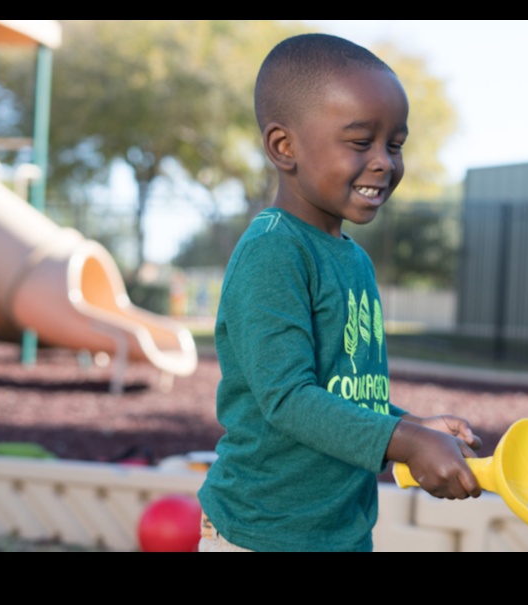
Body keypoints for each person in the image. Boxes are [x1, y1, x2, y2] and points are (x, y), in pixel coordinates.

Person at [196, 33, 482, 553]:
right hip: (263, 534)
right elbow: (289, 398)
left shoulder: (352, 259)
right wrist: (407, 443)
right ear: (285, 147)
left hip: (340, 534)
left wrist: (411, 424)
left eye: (394, 145)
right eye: (360, 142)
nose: (384, 162)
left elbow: (343, 391)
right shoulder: (272, 252)